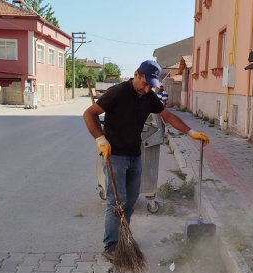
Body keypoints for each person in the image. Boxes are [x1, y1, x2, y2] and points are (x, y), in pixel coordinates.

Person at [83, 60, 209, 260]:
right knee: (116, 202)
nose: (147, 88)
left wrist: (191, 132)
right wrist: (100, 139)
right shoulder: (118, 92)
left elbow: (168, 115)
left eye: (151, 84)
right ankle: (111, 246)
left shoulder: (149, 96)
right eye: (145, 83)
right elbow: (89, 114)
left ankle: (123, 238)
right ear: (136, 74)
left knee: (131, 201)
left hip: (135, 155)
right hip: (114, 155)